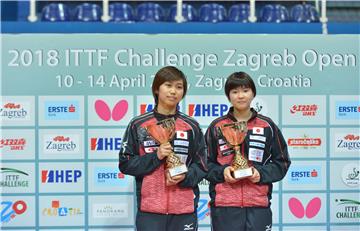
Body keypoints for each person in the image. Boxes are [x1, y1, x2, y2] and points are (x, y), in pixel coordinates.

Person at [119, 66, 207, 231]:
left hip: (184, 210)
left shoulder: (191, 126)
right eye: (168, 85)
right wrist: (156, 156)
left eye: (179, 87)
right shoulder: (138, 125)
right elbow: (126, 163)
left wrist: (185, 177)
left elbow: (202, 165)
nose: (173, 91)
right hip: (150, 211)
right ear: (156, 89)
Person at [205, 72, 291, 231]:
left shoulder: (267, 126)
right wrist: (223, 172)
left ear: (253, 93)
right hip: (225, 206)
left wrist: (261, 174)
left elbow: (282, 162)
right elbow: (204, 164)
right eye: (235, 92)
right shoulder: (217, 127)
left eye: (245, 90)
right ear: (228, 96)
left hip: (258, 206)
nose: (240, 96)